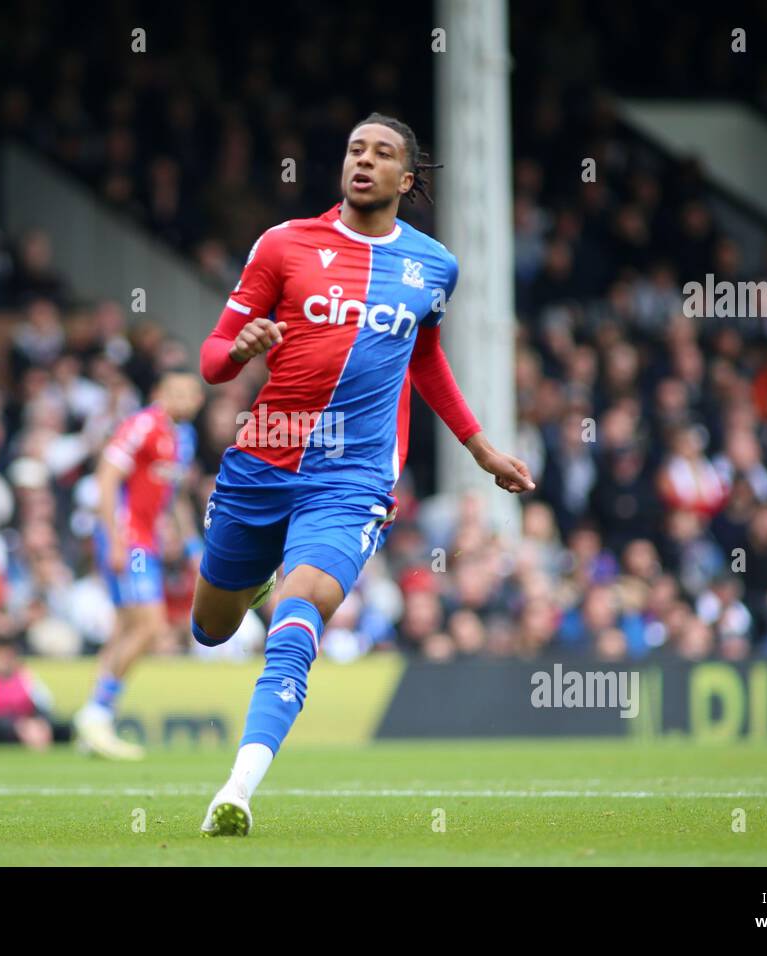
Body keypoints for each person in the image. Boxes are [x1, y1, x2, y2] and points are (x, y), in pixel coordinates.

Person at [190, 114, 533, 835]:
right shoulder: (284, 245)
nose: (363, 162)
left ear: (407, 180)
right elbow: (213, 359)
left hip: (354, 477)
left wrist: (477, 447)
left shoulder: (434, 265)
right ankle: (255, 580)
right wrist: (241, 350)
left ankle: (237, 789)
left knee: (299, 614)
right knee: (211, 628)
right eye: (354, 150)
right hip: (263, 459)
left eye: (382, 154)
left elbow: (425, 356)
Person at [75, 370, 206, 759]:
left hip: (146, 540)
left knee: (125, 629)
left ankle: (93, 725)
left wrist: (192, 546)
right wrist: (114, 536)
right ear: (159, 393)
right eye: (175, 392)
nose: (183, 400)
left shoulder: (184, 438)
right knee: (151, 626)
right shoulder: (142, 425)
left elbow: (174, 496)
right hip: (129, 539)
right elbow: (106, 475)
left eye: (190, 394)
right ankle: (97, 712)